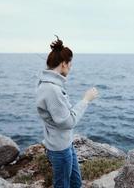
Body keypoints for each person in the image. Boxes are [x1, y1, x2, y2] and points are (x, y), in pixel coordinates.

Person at [35, 36, 98, 188]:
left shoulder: (49, 84)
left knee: (76, 183)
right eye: (70, 64)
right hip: (60, 149)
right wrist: (86, 100)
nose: (70, 67)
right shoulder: (52, 89)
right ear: (63, 64)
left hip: (65, 144)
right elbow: (68, 122)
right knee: (63, 184)